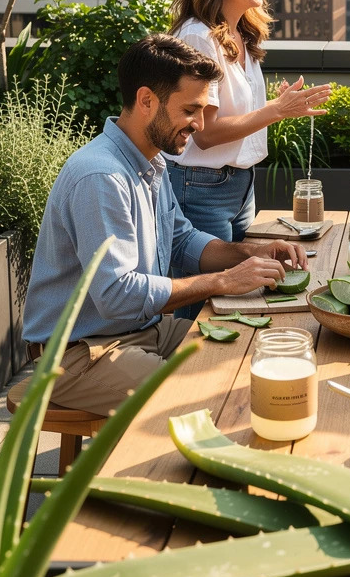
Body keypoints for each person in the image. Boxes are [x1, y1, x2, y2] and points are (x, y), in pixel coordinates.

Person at [22, 34, 309, 418]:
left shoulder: (151, 162)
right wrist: (224, 281)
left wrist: (251, 252)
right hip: (76, 354)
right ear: (146, 101)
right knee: (211, 401)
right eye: (191, 109)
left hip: (139, 333)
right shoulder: (102, 177)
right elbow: (117, 296)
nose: (201, 123)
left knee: (253, 350)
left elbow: (182, 241)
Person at [166, 0, 330, 244]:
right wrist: (276, 111)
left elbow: (234, 114)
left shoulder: (241, 33)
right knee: (211, 291)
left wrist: (281, 107)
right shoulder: (198, 37)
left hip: (241, 186)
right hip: (201, 189)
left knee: (242, 290)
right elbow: (206, 133)